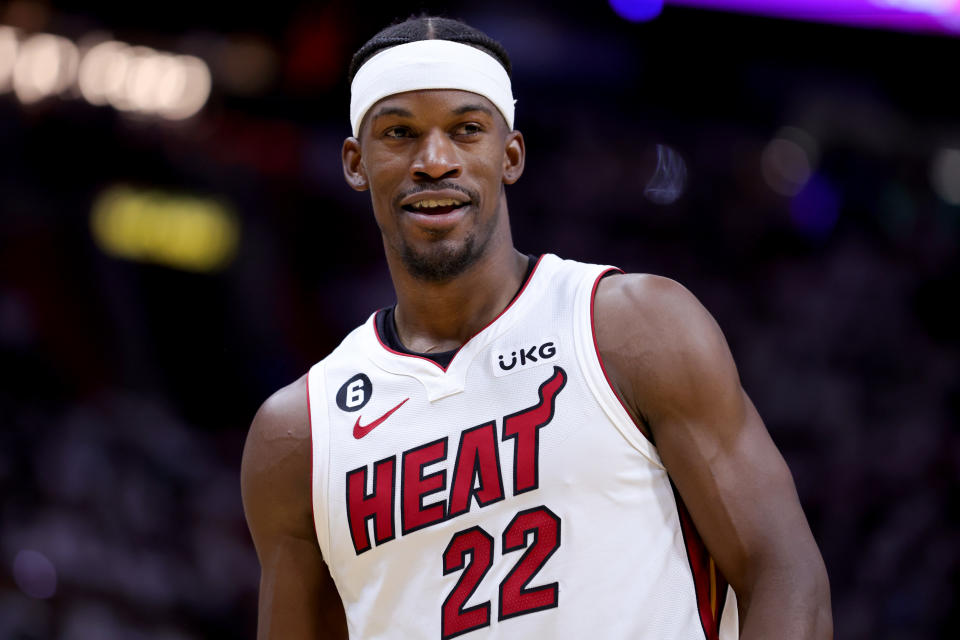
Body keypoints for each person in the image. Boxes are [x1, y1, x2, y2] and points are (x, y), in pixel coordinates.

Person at [241, 15, 832, 640]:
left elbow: (786, 576)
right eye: (400, 134)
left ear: (511, 155)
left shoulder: (633, 328)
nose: (434, 160)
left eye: (467, 130)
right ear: (357, 163)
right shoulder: (299, 434)